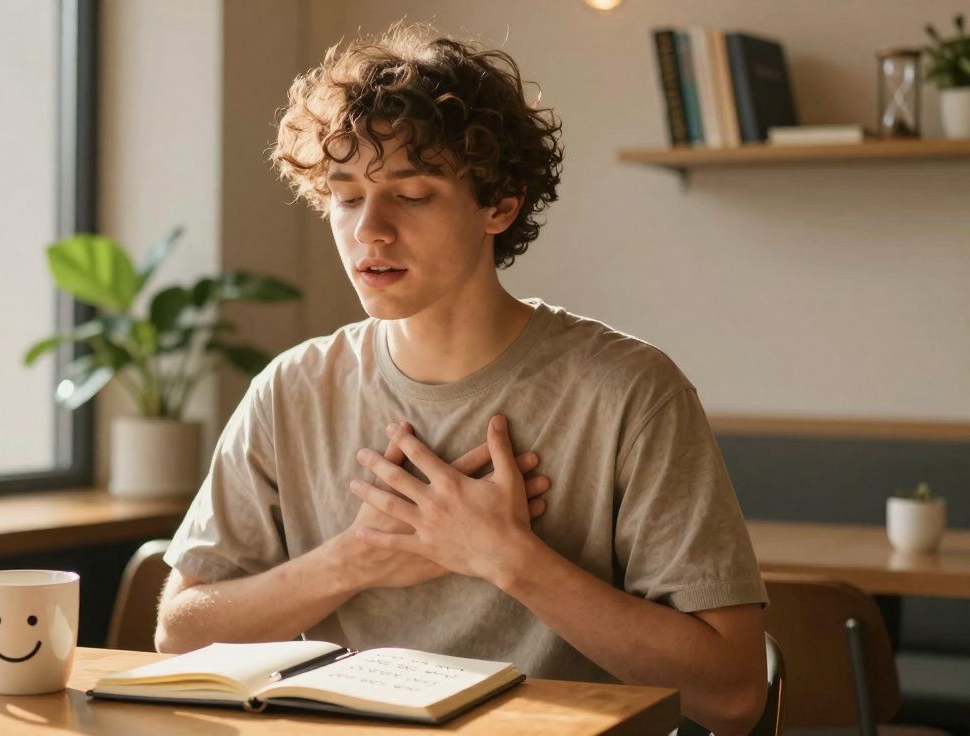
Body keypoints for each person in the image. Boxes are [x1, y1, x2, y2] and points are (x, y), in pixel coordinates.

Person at [155, 22, 768, 735]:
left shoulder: (630, 391)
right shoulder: (292, 390)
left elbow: (733, 695)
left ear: (499, 207)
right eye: (347, 196)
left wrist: (509, 559)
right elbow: (179, 633)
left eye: (411, 195)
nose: (369, 231)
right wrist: (354, 561)